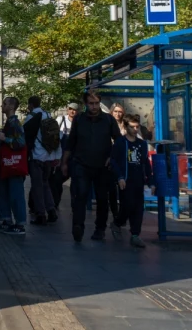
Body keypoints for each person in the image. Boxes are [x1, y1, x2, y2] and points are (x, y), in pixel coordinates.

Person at [62, 90, 121, 242]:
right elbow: (71, 141)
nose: (94, 106)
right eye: (91, 103)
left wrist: (112, 157)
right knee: (80, 196)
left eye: (96, 103)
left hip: (103, 166)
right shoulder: (79, 119)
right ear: (86, 104)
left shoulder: (108, 120)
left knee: (102, 199)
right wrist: (64, 162)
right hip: (81, 164)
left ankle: (100, 229)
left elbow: (119, 142)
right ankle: (78, 226)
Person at [111, 113, 151, 248]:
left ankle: (135, 234)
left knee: (138, 208)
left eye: (137, 127)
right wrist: (120, 177)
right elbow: (114, 161)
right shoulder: (121, 143)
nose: (135, 130)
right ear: (125, 126)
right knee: (126, 205)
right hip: (125, 180)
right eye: (132, 127)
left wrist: (150, 180)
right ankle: (117, 223)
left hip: (138, 180)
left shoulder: (142, 144)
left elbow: (146, 162)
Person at [0, 98, 28, 235]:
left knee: (15, 194)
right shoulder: (10, 122)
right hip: (8, 165)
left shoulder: (15, 123)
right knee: (3, 192)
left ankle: (19, 224)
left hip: (13, 165)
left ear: (12, 106)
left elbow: (21, 142)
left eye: (5, 104)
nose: (2, 105)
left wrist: (4, 139)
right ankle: (7, 220)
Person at [29, 100, 61, 225]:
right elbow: (58, 137)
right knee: (45, 184)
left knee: (37, 187)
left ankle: (40, 215)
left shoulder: (31, 117)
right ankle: (51, 211)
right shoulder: (49, 116)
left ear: (31, 105)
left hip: (36, 157)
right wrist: (57, 156)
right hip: (49, 156)